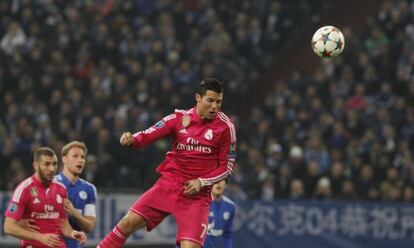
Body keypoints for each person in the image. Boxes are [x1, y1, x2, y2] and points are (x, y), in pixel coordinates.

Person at [98, 78, 237, 248]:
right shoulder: (178, 118)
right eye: (210, 100)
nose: (215, 106)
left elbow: (227, 167)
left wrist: (201, 182)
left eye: (218, 102)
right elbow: (149, 133)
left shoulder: (225, 127)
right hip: (168, 185)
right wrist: (132, 139)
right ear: (198, 98)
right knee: (126, 224)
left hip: (197, 197)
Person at [3, 147, 87, 247]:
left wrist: (73, 233)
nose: (52, 169)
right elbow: (8, 227)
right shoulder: (24, 189)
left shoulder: (61, 189)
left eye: (54, 164)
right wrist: (40, 237)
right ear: (36, 165)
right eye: (47, 164)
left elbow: (63, 223)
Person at [55, 141, 97, 248]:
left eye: (82, 157)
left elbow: (89, 226)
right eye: (75, 156)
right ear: (64, 159)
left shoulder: (89, 189)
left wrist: (74, 213)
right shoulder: (51, 184)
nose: (80, 160)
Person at [204, 179, 236, 248]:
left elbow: (227, 234)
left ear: (226, 185)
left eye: (221, 180)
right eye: (216, 180)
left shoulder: (230, 206)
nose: (218, 183)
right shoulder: (200, 203)